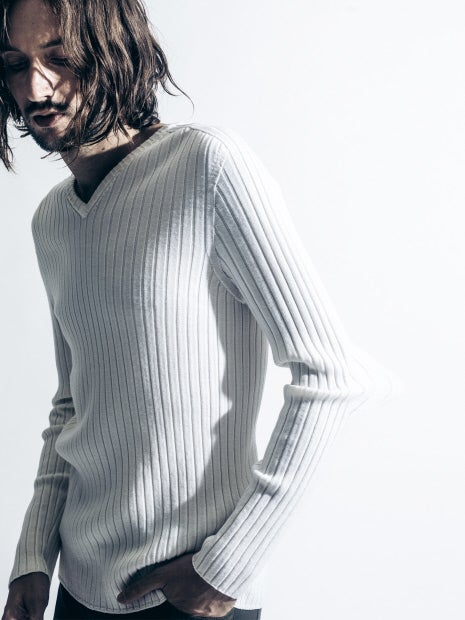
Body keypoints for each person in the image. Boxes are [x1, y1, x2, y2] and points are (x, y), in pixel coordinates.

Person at [0, 0, 401, 619]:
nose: (36, 88)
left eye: (60, 57)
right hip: (78, 592)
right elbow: (73, 403)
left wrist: (229, 566)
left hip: (190, 592)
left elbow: (335, 377)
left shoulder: (205, 165)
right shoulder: (51, 220)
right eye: (14, 64)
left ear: (115, 52)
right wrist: (33, 557)